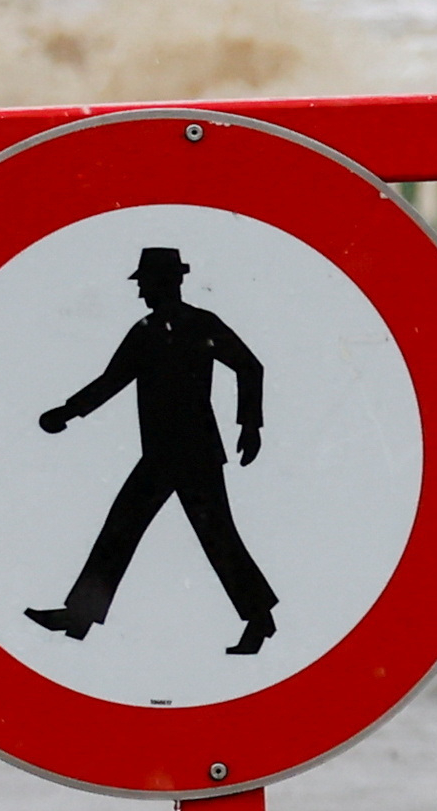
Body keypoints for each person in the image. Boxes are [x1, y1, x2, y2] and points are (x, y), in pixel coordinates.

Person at [27, 247, 275, 654]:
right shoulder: (145, 330)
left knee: (215, 538)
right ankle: (79, 616)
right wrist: (69, 413)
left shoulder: (199, 324)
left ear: (165, 283)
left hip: (194, 454)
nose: (141, 291)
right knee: (124, 529)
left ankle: (259, 620)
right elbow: (112, 381)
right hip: (162, 453)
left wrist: (250, 426)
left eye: (144, 283)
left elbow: (250, 366)